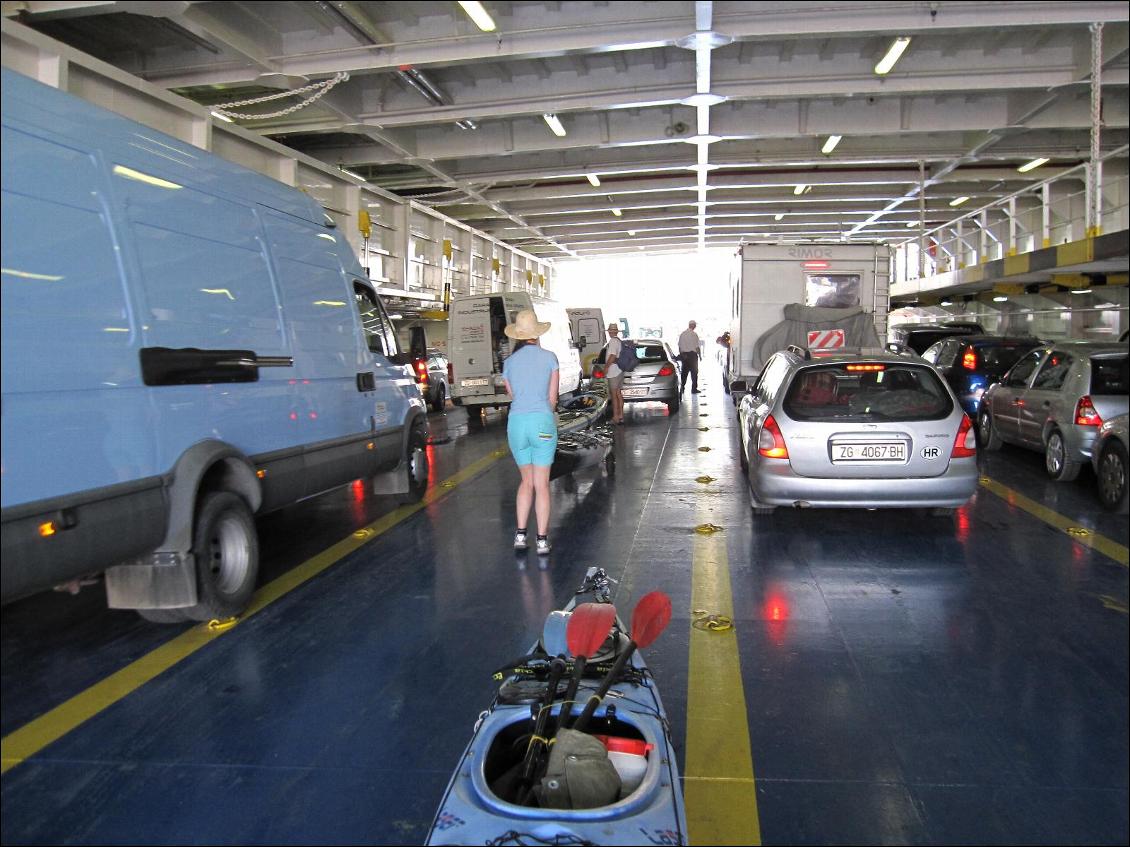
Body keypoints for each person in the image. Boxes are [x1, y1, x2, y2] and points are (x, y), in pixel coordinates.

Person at [502, 309, 560, 555]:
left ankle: (520, 535)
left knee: (526, 482)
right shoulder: (549, 358)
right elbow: (552, 398)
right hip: (542, 424)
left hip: (516, 425)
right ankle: (542, 540)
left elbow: (512, 395)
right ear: (537, 334)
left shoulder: (508, 363)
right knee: (541, 484)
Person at [603, 322, 625, 425]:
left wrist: (606, 367)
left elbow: (612, 355)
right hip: (620, 370)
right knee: (618, 394)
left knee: (614, 395)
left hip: (613, 372)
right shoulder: (619, 341)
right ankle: (621, 416)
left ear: (610, 333)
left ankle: (616, 417)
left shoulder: (612, 342)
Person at [677, 319, 701, 395]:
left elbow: (680, 347)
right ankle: (694, 389)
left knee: (684, 373)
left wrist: (682, 355)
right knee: (694, 373)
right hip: (692, 356)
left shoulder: (682, 334)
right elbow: (697, 347)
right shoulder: (694, 334)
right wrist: (700, 355)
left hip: (684, 356)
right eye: (695, 325)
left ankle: (682, 388)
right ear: (693, 326)